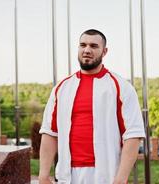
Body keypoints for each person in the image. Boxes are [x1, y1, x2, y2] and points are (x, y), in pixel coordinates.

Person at [38, 29, 145, 184]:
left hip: (107, 176)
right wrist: (43, 175)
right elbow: (49, 132)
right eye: (83, 45)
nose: (87, 50)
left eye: (94, 46)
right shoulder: (61, 88)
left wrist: (121, 179)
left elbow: (133, 135)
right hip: (67, 176)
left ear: (104, 51)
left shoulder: (121, 86)